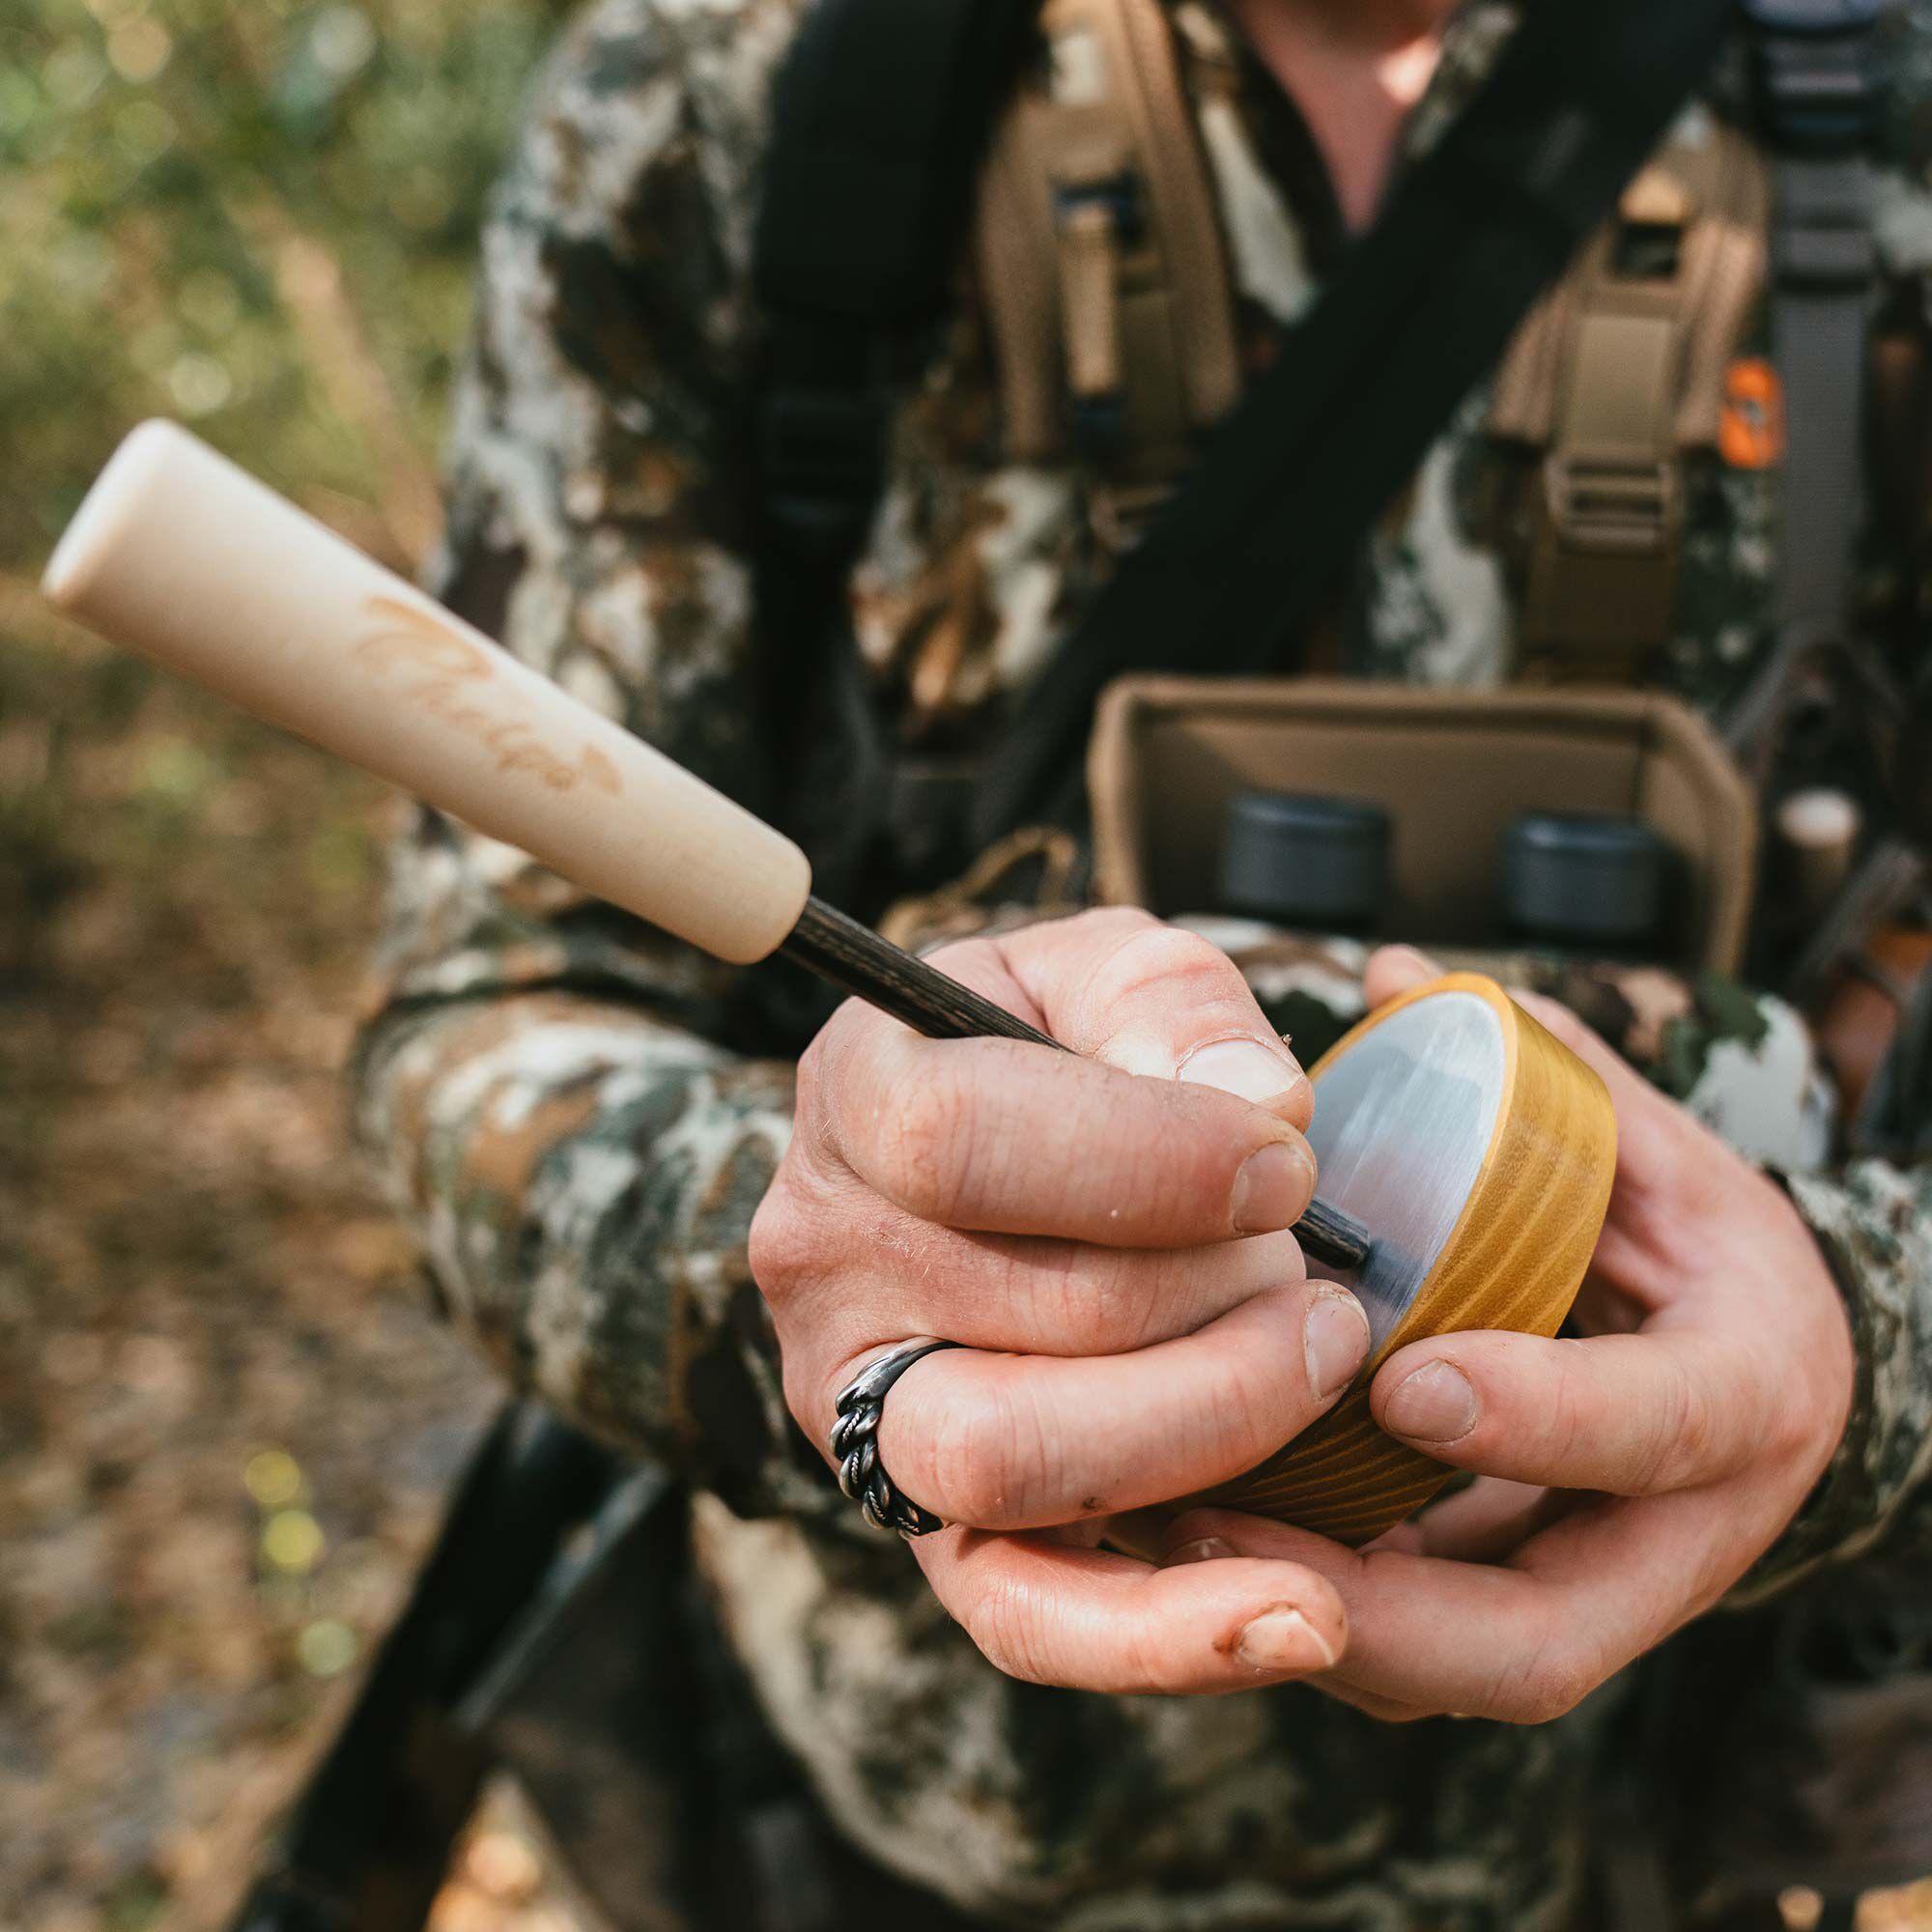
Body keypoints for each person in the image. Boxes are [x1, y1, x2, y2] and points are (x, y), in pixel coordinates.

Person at [350, 0, 1932, 1923]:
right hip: (898, 1836)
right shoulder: (737, 97)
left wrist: (1856, 1338)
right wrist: (825, 1307)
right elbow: (489, 1014)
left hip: (1643, 1813)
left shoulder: (1876, 108)